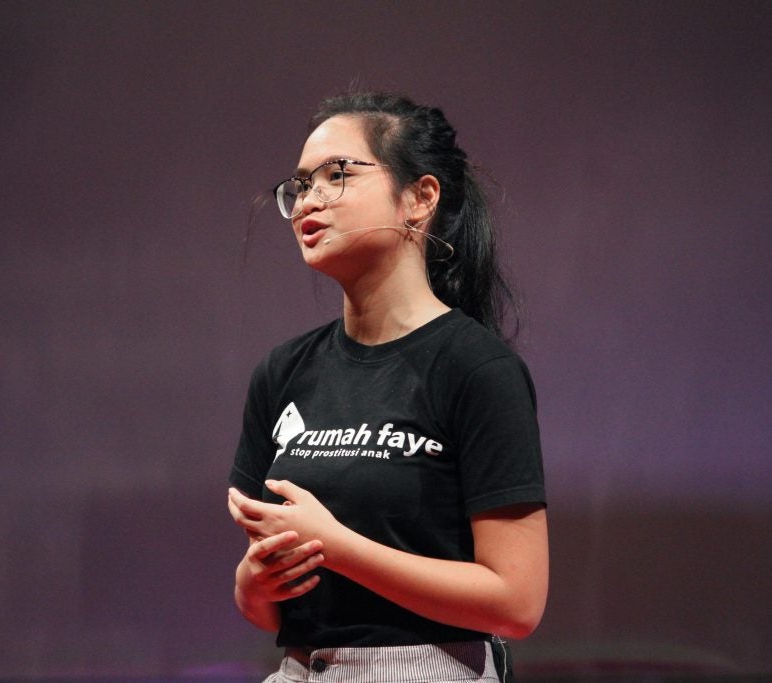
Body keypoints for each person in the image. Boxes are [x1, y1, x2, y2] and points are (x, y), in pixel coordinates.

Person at [227, 92, 548, 683]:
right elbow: (265, 608)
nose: (308, 200)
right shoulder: (282, 372)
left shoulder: (475, 369)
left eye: (337, 174)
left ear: (420, 198)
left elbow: (517, 603)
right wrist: (255, 579)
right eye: (300, 184)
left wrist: (336, 545)